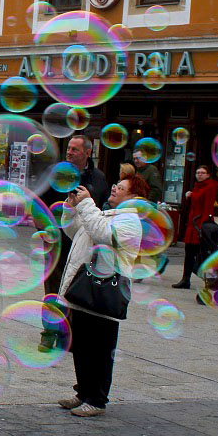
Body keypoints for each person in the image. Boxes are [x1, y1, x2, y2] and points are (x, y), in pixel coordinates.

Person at [58, 175, 146, 417]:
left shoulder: (130, 220)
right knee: (83, 347)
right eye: (116, 185)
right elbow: (74, 231)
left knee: (100, 349)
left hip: (104, 293)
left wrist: (86, 204)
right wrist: (71, 207)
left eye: (121, 187)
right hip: (85, 291)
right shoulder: (107, 214)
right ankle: (83, 392)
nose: (115, 188)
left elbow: (101, 234)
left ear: (134, 196)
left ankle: (97, 400)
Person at [39, 135, 109, 351]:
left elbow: (102, 208)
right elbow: (39, 203)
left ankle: (69, 333)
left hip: (83, 243)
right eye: (69, 148)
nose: (69, 152)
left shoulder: (98, 178)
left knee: (76, 288)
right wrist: (43, 229)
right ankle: (50, 333)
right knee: (53, 287)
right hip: (57, 239)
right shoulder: (55, 174)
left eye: (75, 149)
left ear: (88, 153)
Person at [173, 165, 218, 289]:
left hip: (201, 225)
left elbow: (207, 207)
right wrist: (189, 197)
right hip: (192, 224)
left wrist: (203, 227)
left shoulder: (210, 186)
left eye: (203, 172)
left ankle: (209, 281)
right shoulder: (197, 186)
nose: (199, 174)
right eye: (198, 172)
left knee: (203, 254)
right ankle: (185, 279)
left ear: (208, 175)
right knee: (189, 253)